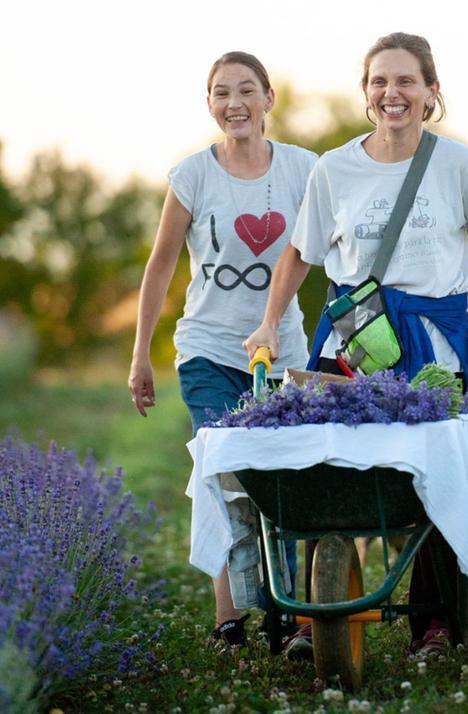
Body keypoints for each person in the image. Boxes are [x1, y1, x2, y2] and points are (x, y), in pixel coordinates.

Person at [245, 32, 468, 658]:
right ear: (366, 92)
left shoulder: (460, 164)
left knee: (440, 467)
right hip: (353, 337)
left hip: (432, 339)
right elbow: (299, 254)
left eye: (406, 81)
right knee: (327, 464)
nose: (392, 93)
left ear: (431, 91)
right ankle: (316, 618)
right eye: (379, 82)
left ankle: (434, 625)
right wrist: (268, 323)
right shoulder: (334, 169)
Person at [128, 51, 316, 649]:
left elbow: (333, 248)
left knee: (284, 478)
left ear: (268, 98)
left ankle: (289, 614)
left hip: (284, 351)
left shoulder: (304, 168)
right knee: (223, 472)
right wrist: (140, 354)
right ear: (209, 103)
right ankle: (229, 619)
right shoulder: (192, 175)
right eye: (220, 92)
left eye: (245, 90)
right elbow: (161, 266)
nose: (233, 103)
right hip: (208, 350)